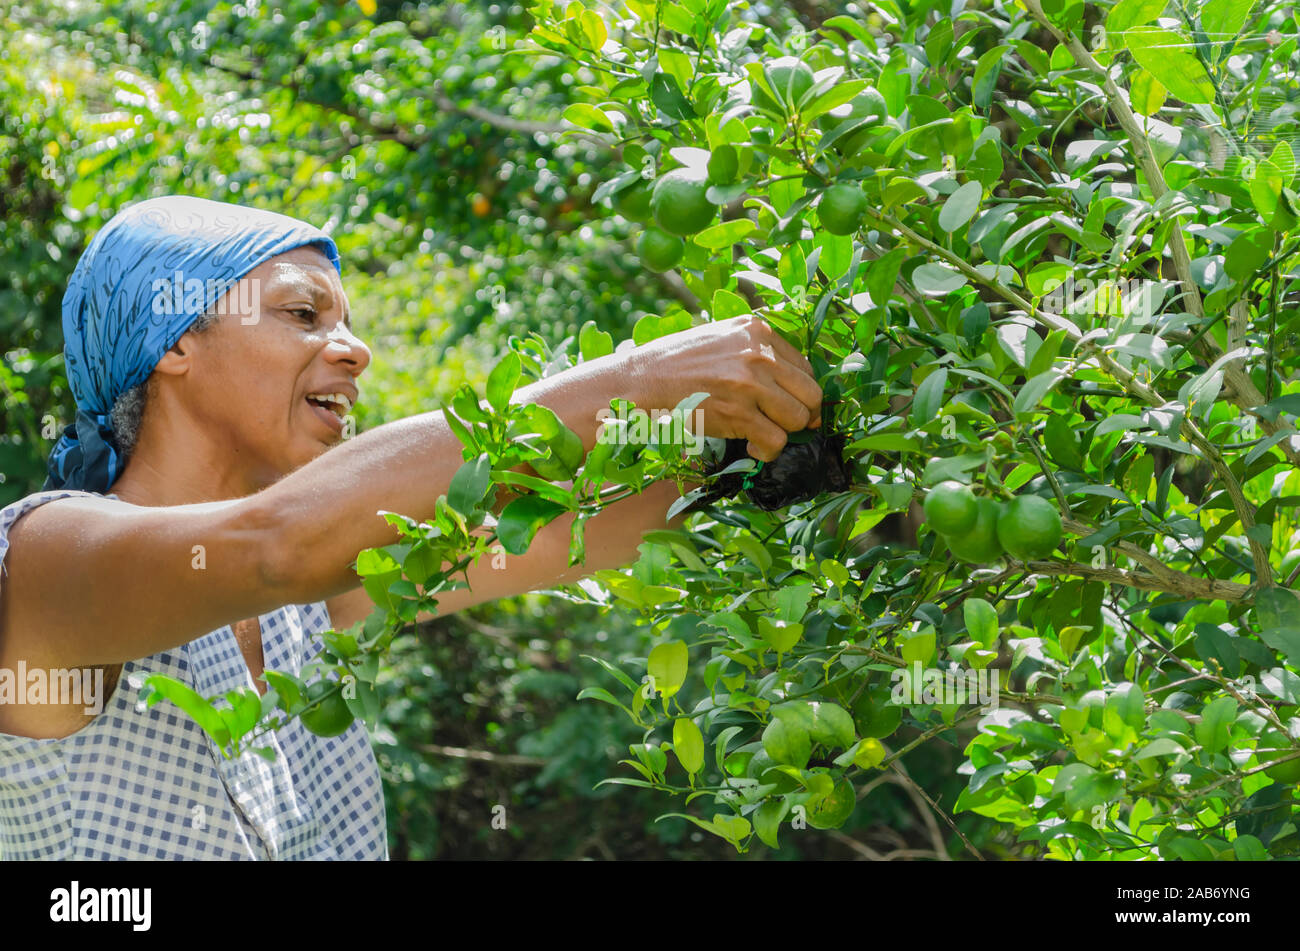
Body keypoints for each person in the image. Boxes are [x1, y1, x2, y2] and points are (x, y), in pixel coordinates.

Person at [0, 195, 822, 860]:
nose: (353, 350)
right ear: (175, 337)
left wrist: (771, 444)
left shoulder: (316, 600)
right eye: (302, 313)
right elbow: (277, 544)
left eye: (347, 323)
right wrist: (638, 377)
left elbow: (571, 533)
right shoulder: (44, 564)